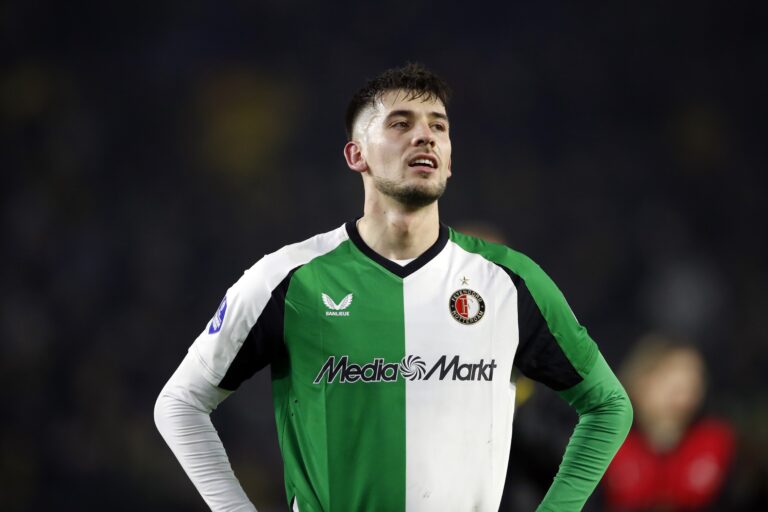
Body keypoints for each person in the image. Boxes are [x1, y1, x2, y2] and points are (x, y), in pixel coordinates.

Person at [154, 63, 633, 512]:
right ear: (356, 154)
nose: (425, 135)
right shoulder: (288, 278)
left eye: (438, 126)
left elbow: (609, 406)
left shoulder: (510, 282)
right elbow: (180, 403)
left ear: (449, 160)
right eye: (401, 124)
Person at [602, 335, 734, 511]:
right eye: (669, 380)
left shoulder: (716, 441)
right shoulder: (607, 441)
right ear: (639, 381)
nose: (682, 395)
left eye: (691, 382)